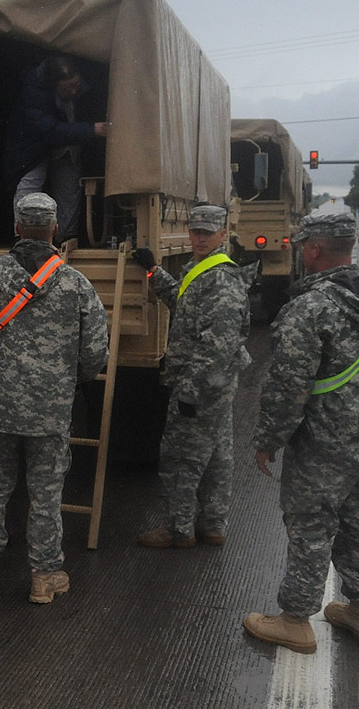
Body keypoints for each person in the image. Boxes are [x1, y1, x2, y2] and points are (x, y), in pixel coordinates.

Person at [243, 213, 359, 655]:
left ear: (314, 250)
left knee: (311, 525)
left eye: (302, 245)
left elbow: (287, 386)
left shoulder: (312, 308)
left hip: (321, 443)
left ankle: (296, 620)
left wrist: (269, 439)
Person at [0, 193, 109, 603]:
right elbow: (95, 351)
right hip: (49, 409)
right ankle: (44, 578)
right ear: (56, 229)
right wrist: (66, 381)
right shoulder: (76, 284)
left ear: (16, 228)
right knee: (45, 493)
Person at [131, 204, 254, 549]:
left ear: (223, 234)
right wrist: (155, 271)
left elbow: (219, 343)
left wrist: (190, 388)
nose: (200, 237)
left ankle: (178, 530)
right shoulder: (204, 271)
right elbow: (183, 305)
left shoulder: (221, 278)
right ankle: (212, 527)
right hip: (212, 383)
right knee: (216, 456)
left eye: (208, 232)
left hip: (201, 384)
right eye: (196, 231)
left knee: (181, 457)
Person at [3, 55, 109, 243]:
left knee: (70, 186)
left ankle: (64, 236)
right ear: (53, 86)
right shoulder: (32, 94)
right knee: (29, 185)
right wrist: (91, 129)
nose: (75, 90)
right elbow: (49, 130)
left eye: (77, 84)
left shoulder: (86, 89)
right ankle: (23, 236)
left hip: (69, 142)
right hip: (34, 146)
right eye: (68, 88)